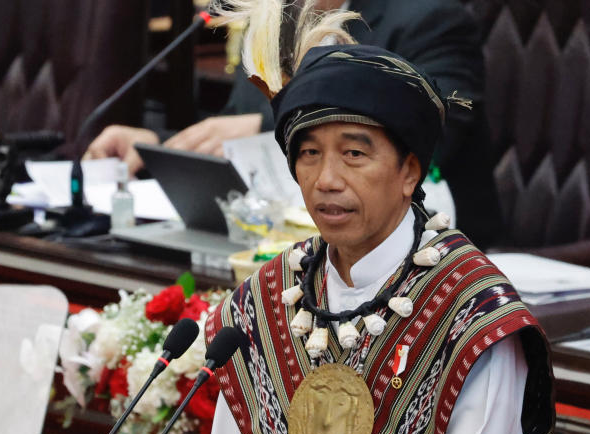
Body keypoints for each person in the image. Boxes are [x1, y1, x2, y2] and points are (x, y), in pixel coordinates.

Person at [166, 9, 554, 434]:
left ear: (409, 171)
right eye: (309, 155)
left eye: (354, 154)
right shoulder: (266, 300)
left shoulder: (474, 315)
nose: (327, 181)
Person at [84, 0, 502, 248]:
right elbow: (235, 132)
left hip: (429, 248)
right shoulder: (273, 23)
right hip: (286, 247)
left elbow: (435, 130)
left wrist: (271, 127)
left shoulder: (429, 17)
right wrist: (157, 143)